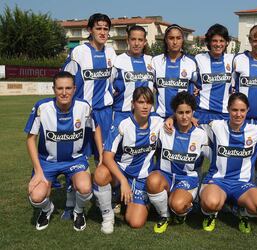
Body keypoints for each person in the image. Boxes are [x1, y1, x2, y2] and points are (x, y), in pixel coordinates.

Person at [25, 71, 102, 231]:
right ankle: (47, 209)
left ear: (74, 89)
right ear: (54, 89)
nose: (64, 92)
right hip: (48, 162)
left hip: (75, 160)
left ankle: (78, 211)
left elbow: (96, 128)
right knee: (36, 196)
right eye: (60, 88)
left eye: (68, 88)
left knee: (85, 188)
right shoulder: (42, 107)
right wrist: (38, 171)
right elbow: (31, 139)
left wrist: (101, 155)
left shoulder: (84, 107)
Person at [61, 13, 117, 219]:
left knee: (104, 159)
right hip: (83, 116)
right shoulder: (79, 52)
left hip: (105, 113)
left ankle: (104, 202)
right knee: (77, 158)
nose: (102, 32)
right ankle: (71, 204)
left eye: (105, 28)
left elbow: (114, 83)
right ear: (90, 30)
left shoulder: (111, 53)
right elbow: (66, 81)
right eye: (98, 28)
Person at [93, 87, 163, 234]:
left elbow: (177, 120)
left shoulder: (158, 121)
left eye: (149, 102)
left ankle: (132, 200)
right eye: (141, 102)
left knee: (135, 222)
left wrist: (173, 118)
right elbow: (107, 156)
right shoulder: (122, 123)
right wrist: (123, 181)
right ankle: (108, 216)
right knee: (100, 174)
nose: (145, 106)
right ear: (133, 104)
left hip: (143, 177)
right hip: (122, 173)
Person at [200, 93, 257, 234]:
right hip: (218, 181)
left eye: (242, 110)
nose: (238, 114)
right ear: (228, 109)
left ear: (247, 111)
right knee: (210, 203)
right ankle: (212, 214)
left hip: (242, 183)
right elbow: (190, 119)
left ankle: (241, 212)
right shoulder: (215, 126)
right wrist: (171, 119)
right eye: (234, 110)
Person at [146, 92, 208, 234]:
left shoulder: (201, 135)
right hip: (165, 175)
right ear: (174, 113)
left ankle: (187, 207)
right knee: (152, 180)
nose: (184, 116)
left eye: (188, 112)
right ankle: (164, 215)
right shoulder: (164, 129)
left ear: (193, 112)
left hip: (187, 178)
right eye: (180, 113)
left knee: (178, 205)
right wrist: (170, 118)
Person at [151, 24, 197, 118]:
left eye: (178, 38)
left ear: (183, 40)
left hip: (183, 118)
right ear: (166, 40)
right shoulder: (155, 61)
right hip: (161, 117)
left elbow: (197, 89)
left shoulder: (191, 62)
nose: (175, 42)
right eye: (171, 38)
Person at [112, 25, 154, 125]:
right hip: (122, 114)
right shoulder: (117, 61)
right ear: (128, 41)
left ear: (145, 42)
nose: (136, 43)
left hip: (146, 115)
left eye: (140, 40)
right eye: (133, 39)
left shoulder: (152, 61)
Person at [194, 23, 233, 124]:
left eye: (221, 41)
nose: (218, 44)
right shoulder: (198, 59)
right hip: (203, 112)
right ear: (209, 42)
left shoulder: (233, 60)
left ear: (226, 42)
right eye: (214, 40)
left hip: (225, 114)